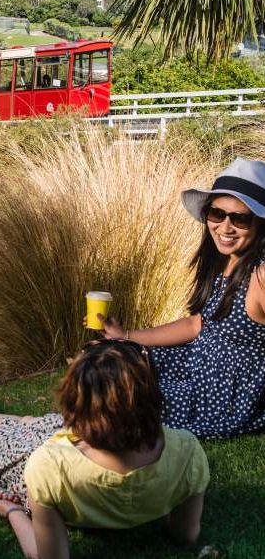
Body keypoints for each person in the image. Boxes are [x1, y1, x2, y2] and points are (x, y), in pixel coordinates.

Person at [0, 340, 209, 559]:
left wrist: (13, 512)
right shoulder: (187, 449)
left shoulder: (48, 467)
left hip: (51, 456)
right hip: (94, 441)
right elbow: (185, 536)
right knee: (36, 423)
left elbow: (44, 554)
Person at [100, 157, 265, 438]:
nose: (225, 228)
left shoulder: (261, 275)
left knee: (118, 407)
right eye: (217, 214)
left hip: (218, 398)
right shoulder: (225, 261)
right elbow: (198, 324)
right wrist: (127, 335)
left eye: (240, 218)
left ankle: (20, 427)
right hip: (195, 365)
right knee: (112, 359)